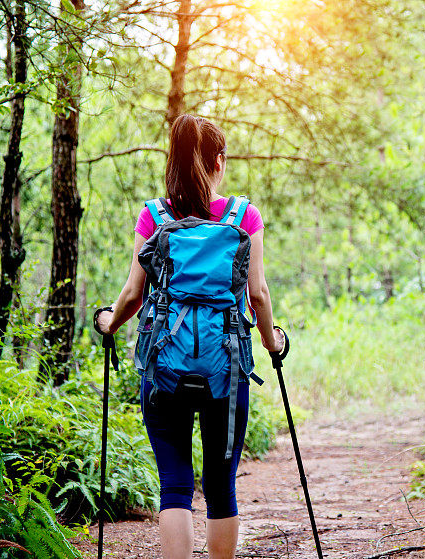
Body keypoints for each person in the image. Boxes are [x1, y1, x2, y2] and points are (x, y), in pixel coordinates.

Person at [95, 113, 284, 559]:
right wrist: (273, 342)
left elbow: (132, 294)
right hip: (227, 366)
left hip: (165, 369)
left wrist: (109, 323)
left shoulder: (154, 216)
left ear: (174, 163)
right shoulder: (243, 216)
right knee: (221, 489)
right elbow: (257, 293)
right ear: (219, 161)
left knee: (175, 486)